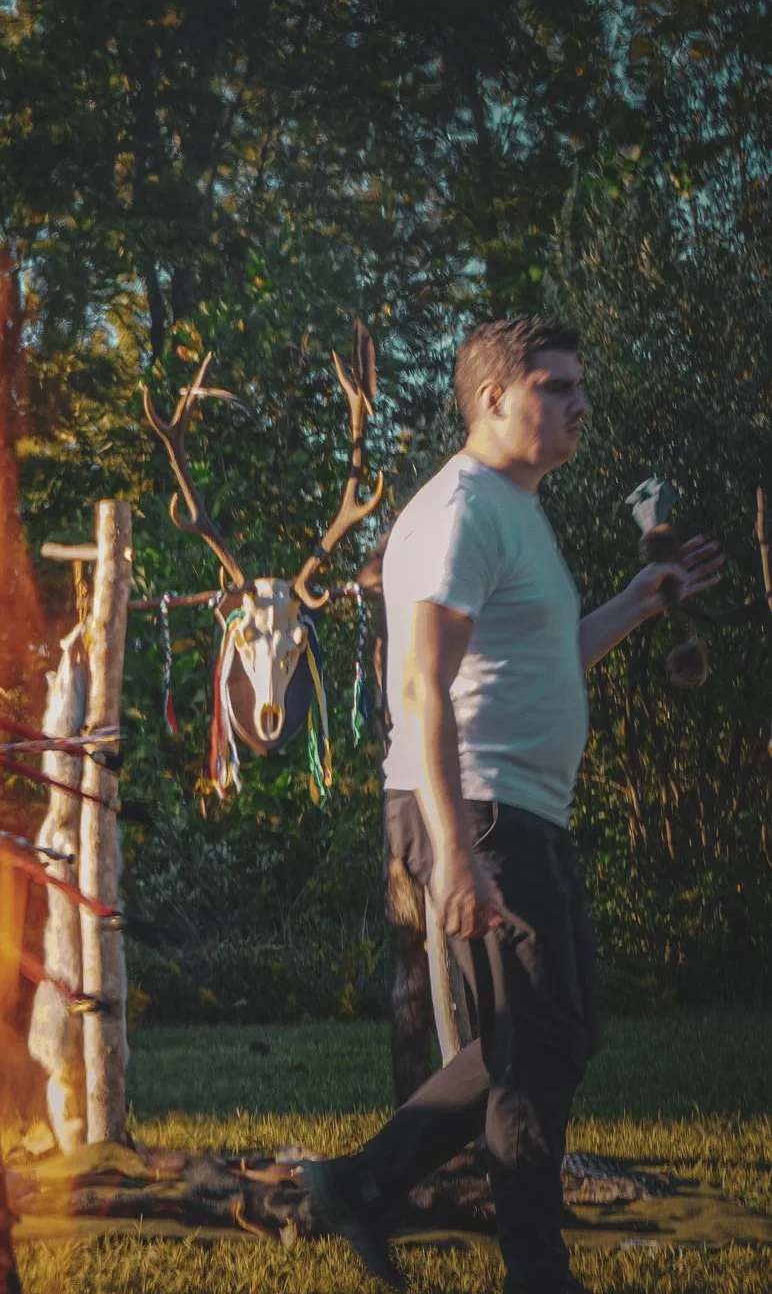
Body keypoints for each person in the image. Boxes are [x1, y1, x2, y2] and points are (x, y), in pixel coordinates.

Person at [300, 319, 722, 1293]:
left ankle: (363, 1183)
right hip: (476, 807)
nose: (579, 404)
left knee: (556, 1032)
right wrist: (454, 851)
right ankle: (536, 1274)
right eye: (555, 386)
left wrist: (637, 601)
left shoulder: (514, 510)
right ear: (493, 398)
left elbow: (543, 662)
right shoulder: (458, 512)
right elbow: (420, 689)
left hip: (517, 809)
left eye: (579, 387)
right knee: (532, 1052)